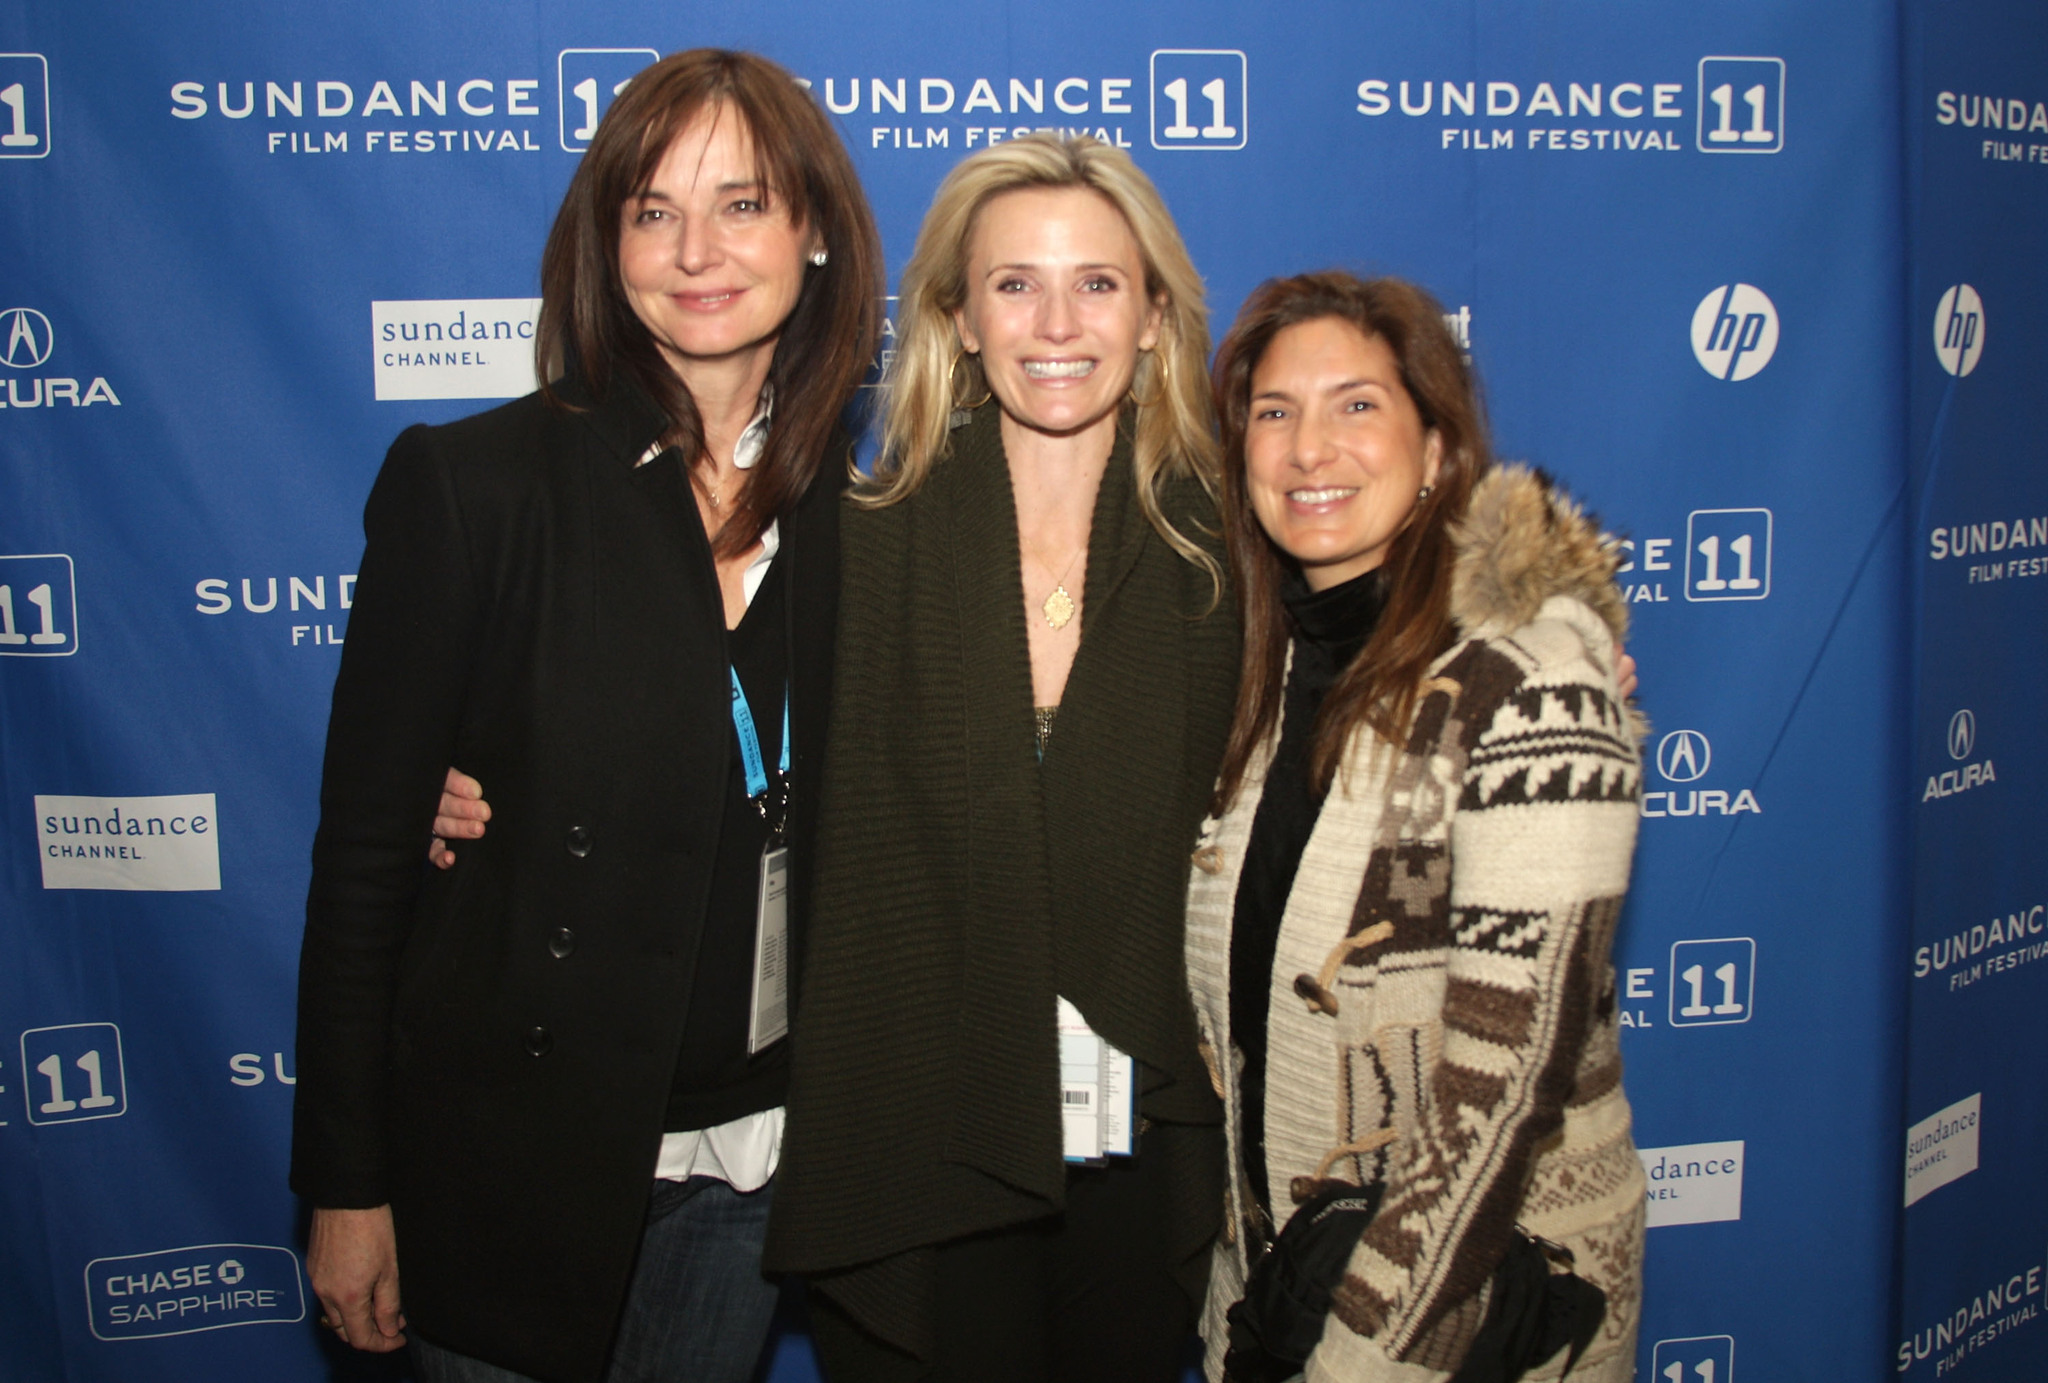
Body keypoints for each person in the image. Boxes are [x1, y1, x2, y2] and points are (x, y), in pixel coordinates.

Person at [292, 49, 882, 1383]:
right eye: (651, 209)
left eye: (741, 205)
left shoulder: (870, 524)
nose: (695, 250)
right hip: (512, 1162)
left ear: (818, 239)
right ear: (604, 241)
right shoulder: (476, 487)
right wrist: (342, 1183)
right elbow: (364, 865)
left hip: (758, 1167)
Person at [755, 134, 1237, 1383]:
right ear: (958, 319)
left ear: (1152, 315)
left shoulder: (1231, 554)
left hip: (1143, 1134)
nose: (1056, 321)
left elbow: (1385, 675)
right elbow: (697, 740)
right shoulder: (855, 545)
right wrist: (486, 787)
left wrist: (1543, 664)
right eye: (1014, 283)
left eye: (1097, 282)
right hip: (916, 1127)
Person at [1184, 272, 1645, 1382]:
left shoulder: (1532, 676)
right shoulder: (1253, 675)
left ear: (1435, 449)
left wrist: (1364, 1356)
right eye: (1273, 412)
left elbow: (1502, 1086)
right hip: (1271, 1304)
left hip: (1474, 1320)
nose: (1307, 450)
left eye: (1354, 405)